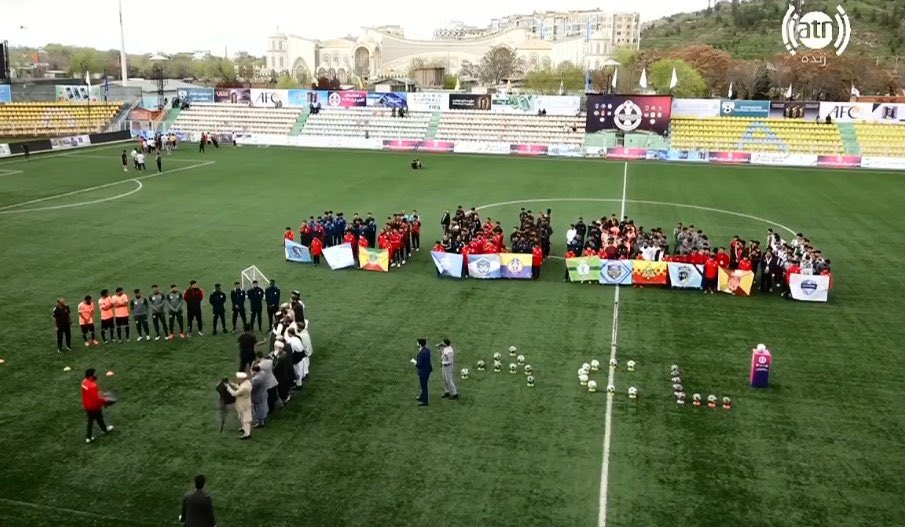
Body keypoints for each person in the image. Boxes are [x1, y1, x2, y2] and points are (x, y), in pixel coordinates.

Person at [81, 368, 113, 443]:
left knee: (92, 419)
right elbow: (97, 398)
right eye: (94, 374)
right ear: (90, 376)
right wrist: (105, 402)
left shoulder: (84, 382)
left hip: (87, 405)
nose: (96, 376)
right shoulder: (93, 386)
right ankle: (102, 431)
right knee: (98, 418)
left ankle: (90, 437)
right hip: (94, 406)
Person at [227, 372, 253, 440]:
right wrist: (232, 384)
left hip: (243, 404)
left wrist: (228, 388)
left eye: (238, 378)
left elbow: (234, 394)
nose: (236, 379)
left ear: (242, 379)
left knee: (246, 419)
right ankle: (244, 428)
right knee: (242, 417)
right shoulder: (246, 383)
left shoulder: (244, 387)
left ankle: (247, 434)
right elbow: (239, 387)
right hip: (245, 402)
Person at [255, 351, 280, 415]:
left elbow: (253, 371)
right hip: (273, 381)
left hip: (267, 384)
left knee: (269, 398)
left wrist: (254, 363)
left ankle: (270, 410)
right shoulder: (269, 361)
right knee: (274, 395)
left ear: (257, 357)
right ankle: (275, 407)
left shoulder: (259, 366)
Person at [414, 338, 432, 406]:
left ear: (420, 344)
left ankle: (425, 401)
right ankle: (422, 397)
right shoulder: (427, 350)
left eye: (417, 342)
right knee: (423, 385)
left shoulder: (421, 353)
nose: (417, 343)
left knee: (423, 386)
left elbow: (419, 365)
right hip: (427, 370)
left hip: (423, 372)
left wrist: (415, 363)